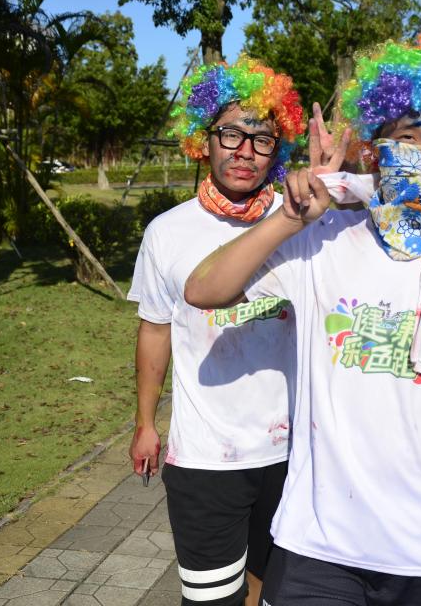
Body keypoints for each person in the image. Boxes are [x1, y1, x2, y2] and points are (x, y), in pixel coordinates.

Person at [186, 34, 421, 606]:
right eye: (407, 137)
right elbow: (203, 290)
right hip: (317, 550)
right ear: (374, 150)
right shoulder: (320, 241)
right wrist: (291, 217)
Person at [127, 57, 306, 606]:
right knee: (210, 600)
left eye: (262, 138)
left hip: (292, 454)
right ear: (203, 140)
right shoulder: (167, 232)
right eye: (231, 133)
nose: (245, 151)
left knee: (270, 592)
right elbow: (154, 329)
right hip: (205, 459)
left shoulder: (300, 223)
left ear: (277, 150)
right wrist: (145, 423)